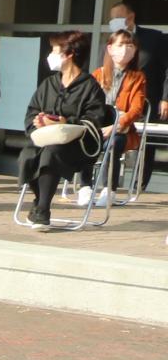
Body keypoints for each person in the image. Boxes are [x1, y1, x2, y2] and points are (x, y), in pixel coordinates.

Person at [18, 29, 115, 232]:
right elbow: (32, 110)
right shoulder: (49, 83)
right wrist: (38, 121)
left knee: (51, 154)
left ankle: (43, 211)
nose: (50, 55)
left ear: (69, 54)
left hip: (78, 144)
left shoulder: (90, 86)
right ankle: (39, 200)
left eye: (55, 50)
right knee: (27, 155)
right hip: (46, 138)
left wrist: (65, 121)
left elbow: (94, 119)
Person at [95, 27, 150, 204]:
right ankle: (85, 187)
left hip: (123, 131)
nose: (125, 49)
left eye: (130, 46)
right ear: (110, 48)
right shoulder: (98, 74)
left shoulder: (138, 77)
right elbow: (88, 105)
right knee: (82, 141)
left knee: (113, 144)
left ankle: (108, 190)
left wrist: (116, 125)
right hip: (97, 127)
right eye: (120, 45)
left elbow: (136, 109)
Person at [109, 3, 167, 122]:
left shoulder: (154, 38)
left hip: (149, 104)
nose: (114, 21)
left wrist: (166, 99)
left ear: (131, 17)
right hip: (118, 104)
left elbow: (166, 69)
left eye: (118, 17)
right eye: (112, 18)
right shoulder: (111, 41)